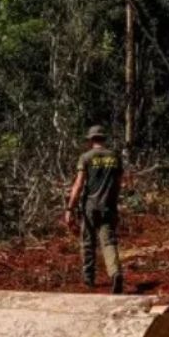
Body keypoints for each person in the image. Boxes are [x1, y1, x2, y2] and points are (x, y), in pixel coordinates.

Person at [63, 125, 124, 294]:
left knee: (88, 243)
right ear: (103, 139)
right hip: (108, 206)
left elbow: (79, 184)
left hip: (90, 206)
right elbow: (118, 184)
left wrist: (70, 208)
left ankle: (89, 279)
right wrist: (113, 202)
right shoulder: (115, 157)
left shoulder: (86, 157)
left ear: (91, 140)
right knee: (109, 242)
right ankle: (115, 273)